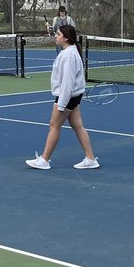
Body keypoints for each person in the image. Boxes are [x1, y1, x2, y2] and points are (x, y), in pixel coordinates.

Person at [25, 23, 100, 171]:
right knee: (78, 126)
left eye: (58, 34)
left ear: (66, 38)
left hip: (67, 97)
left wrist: (61, 104)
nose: (56, 36)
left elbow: (67, 82)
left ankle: (44, 160)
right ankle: (90, 158)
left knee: (54, 125)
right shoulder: (68, 52)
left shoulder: (68, 56)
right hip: (73, 96)